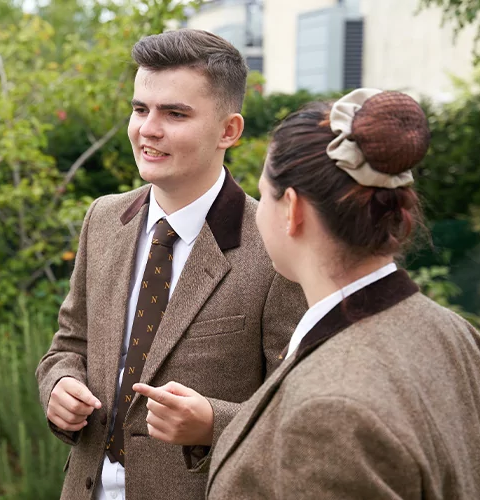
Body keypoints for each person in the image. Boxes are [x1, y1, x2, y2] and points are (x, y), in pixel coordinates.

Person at [206, 88, 480, 498]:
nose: (257, 207)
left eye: (264, 193)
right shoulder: (459, 336)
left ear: (293, 211)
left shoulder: (329, 412)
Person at [36, 29, 306, 500]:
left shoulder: (275, 246)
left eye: (175, 113)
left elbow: (301, 411)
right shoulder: (103, 219)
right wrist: (59, 384)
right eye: (141, 109)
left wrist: (212, 424)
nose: (148, 128)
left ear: (230, 130)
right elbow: (68, 345)